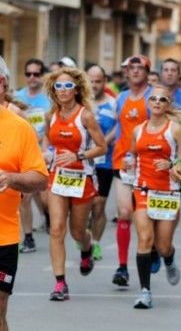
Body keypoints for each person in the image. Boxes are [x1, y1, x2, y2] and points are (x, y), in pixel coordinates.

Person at [43, 67, 107, 301]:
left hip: (82, 177)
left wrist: (78, 156)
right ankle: (60, 283)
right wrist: (46, 152)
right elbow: (47, 140)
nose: (63, 90)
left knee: (77, 231)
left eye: (68, 86)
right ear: (53, 89)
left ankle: (86, 248)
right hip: (58, 177)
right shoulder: (51, 115)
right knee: (56, 229)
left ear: (76, 89)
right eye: (58, 86)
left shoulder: (85, 116)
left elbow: (102, 147)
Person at [0, 60, 48, 331]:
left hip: (3, 236)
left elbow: (40, 179)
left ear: (2, 84)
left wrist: (11, 178)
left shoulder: (19, 127)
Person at [129, 85, 181, 309]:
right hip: (142, 189)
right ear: (148, 103)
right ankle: (145, 292)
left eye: (163, 99)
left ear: (168, 104)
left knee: (162, 246)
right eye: (153, 98)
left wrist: (172, 164)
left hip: (168, 192)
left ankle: (169, 258)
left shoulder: (175, 129)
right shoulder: (138, 130)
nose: (158, 102)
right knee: (144, 240)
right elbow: (132, 153)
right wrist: (128, 161)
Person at [111, 55, 153, 287]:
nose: (135, 71)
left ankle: (155, 249)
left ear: (147, 71)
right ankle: (123, 267)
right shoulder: (121, 98)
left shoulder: (153, 97)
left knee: (147, 217)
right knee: (125, 213)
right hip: (123, 163)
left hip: (147, 165)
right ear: (126, 73)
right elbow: (119, 130)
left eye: (140, 68)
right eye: (131, 68)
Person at [15, 58, 52, 251]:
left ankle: (47, 215)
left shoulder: (49, 98)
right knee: (25, 195)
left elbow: (52, 126)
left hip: (44, 152)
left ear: (42, 75)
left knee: (43, 197)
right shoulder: (18, 96)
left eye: (36, 74)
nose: (32, 78)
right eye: (28, 74)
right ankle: (28, 237)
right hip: (24, 152)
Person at [86, 65, 117, 260]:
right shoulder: (80, 103)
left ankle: (95, 243)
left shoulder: (113, 104)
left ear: (104, 82)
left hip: (104, 161)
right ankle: (84, 234)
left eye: (98, 81)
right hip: (83, 162)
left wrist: (101, 144)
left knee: (99, 205)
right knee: (85, 205)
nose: (94, 85)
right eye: (91, 81)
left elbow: (118, 128)